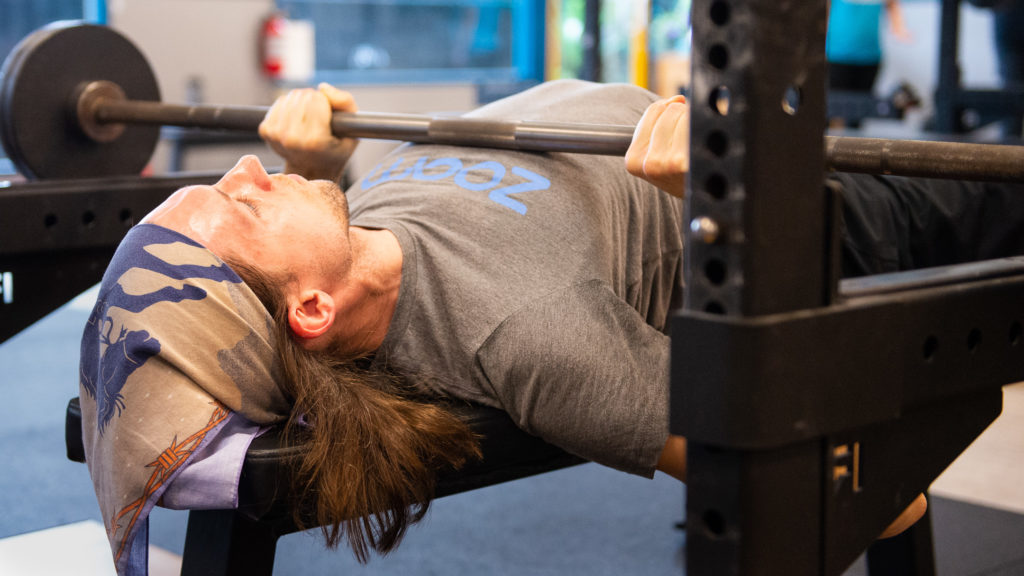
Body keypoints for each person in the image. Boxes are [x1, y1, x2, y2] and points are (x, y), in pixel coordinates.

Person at [83, 79, 1024, 576]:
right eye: (239, 206)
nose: (247, 164)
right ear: (311, 309)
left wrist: (331, 157)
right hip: (835, 216)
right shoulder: (522, 337)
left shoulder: (362, 224)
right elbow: (845, 486)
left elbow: (370, 218)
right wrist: (724, 196)